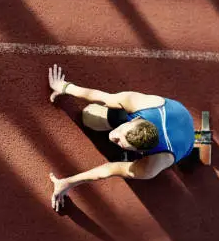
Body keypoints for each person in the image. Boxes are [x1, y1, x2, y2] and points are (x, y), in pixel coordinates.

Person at [48, 64, 194, 210]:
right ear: (136, 120)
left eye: (120, 142)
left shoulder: (153, 165)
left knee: (139, 170)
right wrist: (65, 87)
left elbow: (109, 170)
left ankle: (194, 146)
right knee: (88, 115)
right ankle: (123, 134)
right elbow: (102, 98)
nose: (113, 137)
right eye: (120, 133)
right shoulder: (140, 103)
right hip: (179, 113)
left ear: (140, 152)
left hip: (184, 144)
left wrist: (67, 182)